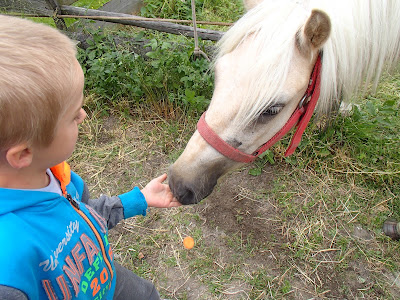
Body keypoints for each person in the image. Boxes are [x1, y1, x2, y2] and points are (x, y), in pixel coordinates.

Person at [0, 15, 180, 300]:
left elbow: (83, 220)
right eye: (73, 115)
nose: (84, 116)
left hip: (107, 280)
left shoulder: (57, 175)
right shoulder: (8, 268)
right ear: (23, 153)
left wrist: (139, 200)